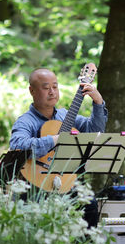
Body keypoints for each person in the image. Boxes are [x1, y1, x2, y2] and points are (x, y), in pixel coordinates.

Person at [10, 67, 108, 227]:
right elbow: (18, 146)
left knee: (89, 204)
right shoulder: (26, 121)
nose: (52, 92)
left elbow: (95, 131)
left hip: (66, 182)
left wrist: (98, 102)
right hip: (36, 187)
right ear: (32, 90)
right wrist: (56, 139)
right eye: (46, 87)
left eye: (55, 87)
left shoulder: (65, 115)